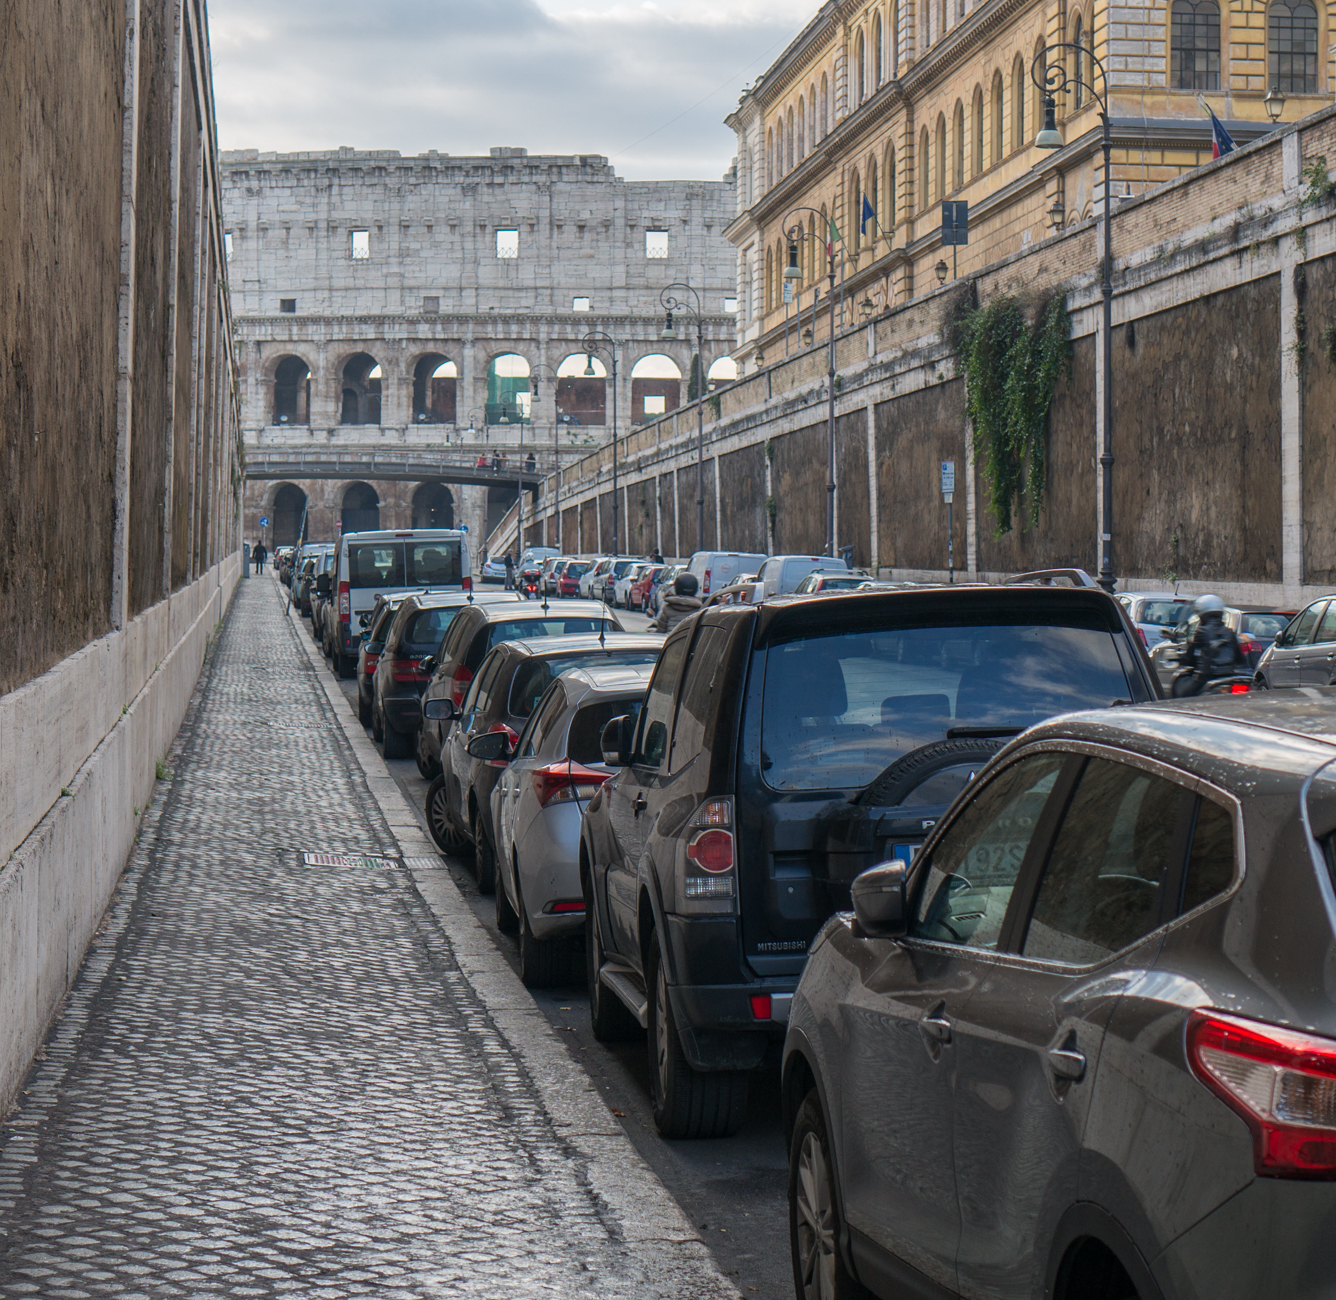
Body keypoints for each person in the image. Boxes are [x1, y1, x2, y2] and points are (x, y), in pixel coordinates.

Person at [1171, 594, 1246, 697]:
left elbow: (1191, 654)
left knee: (1182, 694)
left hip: (1206, 676)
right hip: (1229, 675)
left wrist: (1184, 659)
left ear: (1202, 614)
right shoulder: (1229, 632)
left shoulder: (1201, 631)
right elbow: (1240, 658)